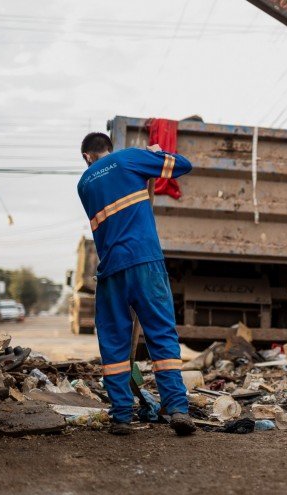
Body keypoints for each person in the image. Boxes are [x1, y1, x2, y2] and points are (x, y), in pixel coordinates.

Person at [77, 132, 195, 436]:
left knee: (114, 342)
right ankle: (178, 409)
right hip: (145, 262)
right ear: (109, 148)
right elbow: (183, 165)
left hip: (112, 270)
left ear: (86, 157)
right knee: (161, 335)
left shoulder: (84, 183)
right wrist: (154, 154)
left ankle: (121, 416)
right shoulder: (129, 158)